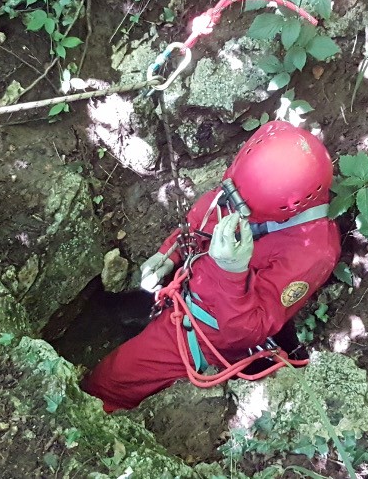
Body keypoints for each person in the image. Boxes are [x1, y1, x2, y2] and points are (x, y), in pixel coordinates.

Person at [82, 121, 342, 412]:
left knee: (110, 381)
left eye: (242, 206)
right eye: (232, 190)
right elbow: (208, 214)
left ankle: (101, 413)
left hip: (206, 331)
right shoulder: (254, 174)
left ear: (285, 209)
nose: (232, 202)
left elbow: (246, 331)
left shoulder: (312, 253)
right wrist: (170, 254)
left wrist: (229, 272)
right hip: (190, 290)